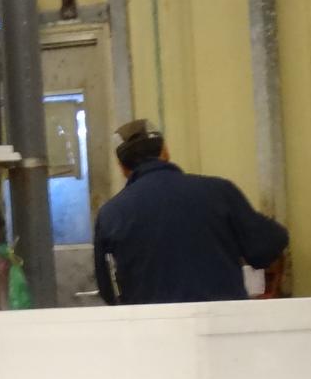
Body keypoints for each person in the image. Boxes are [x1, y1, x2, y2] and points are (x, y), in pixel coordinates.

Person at [93, 119, 290, 305]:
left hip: (153, 326)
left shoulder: (110, 215)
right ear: (165, 151)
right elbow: (267, 246)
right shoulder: (220, 192)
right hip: (220, 323)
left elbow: (108, 291)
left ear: (122, 167)